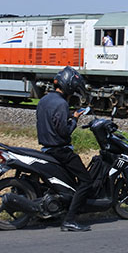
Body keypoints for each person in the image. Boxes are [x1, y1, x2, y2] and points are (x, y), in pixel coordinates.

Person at [36, 66, 92, 231]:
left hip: (46, 147)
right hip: (60, 150)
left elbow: (49, 121)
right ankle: (70, 219)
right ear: (69, 86)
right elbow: (64, 131)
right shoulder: (61, 104)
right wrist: (74, 119)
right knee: (85, 181)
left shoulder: (44, 100)